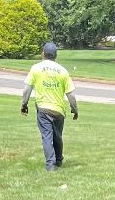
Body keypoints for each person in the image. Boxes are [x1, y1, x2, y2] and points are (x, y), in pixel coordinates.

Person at [21, 42, 78, 170]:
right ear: (56, 55)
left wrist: (24, 104)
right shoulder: (63, 71)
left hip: (43, 109)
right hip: (59, 110)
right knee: (57, 136)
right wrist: (75, 110)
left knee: (47, 136)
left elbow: (26, 90)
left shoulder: (36, 68)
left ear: (43, 54)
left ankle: (50, 165)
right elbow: (71, 95)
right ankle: (58, 160)